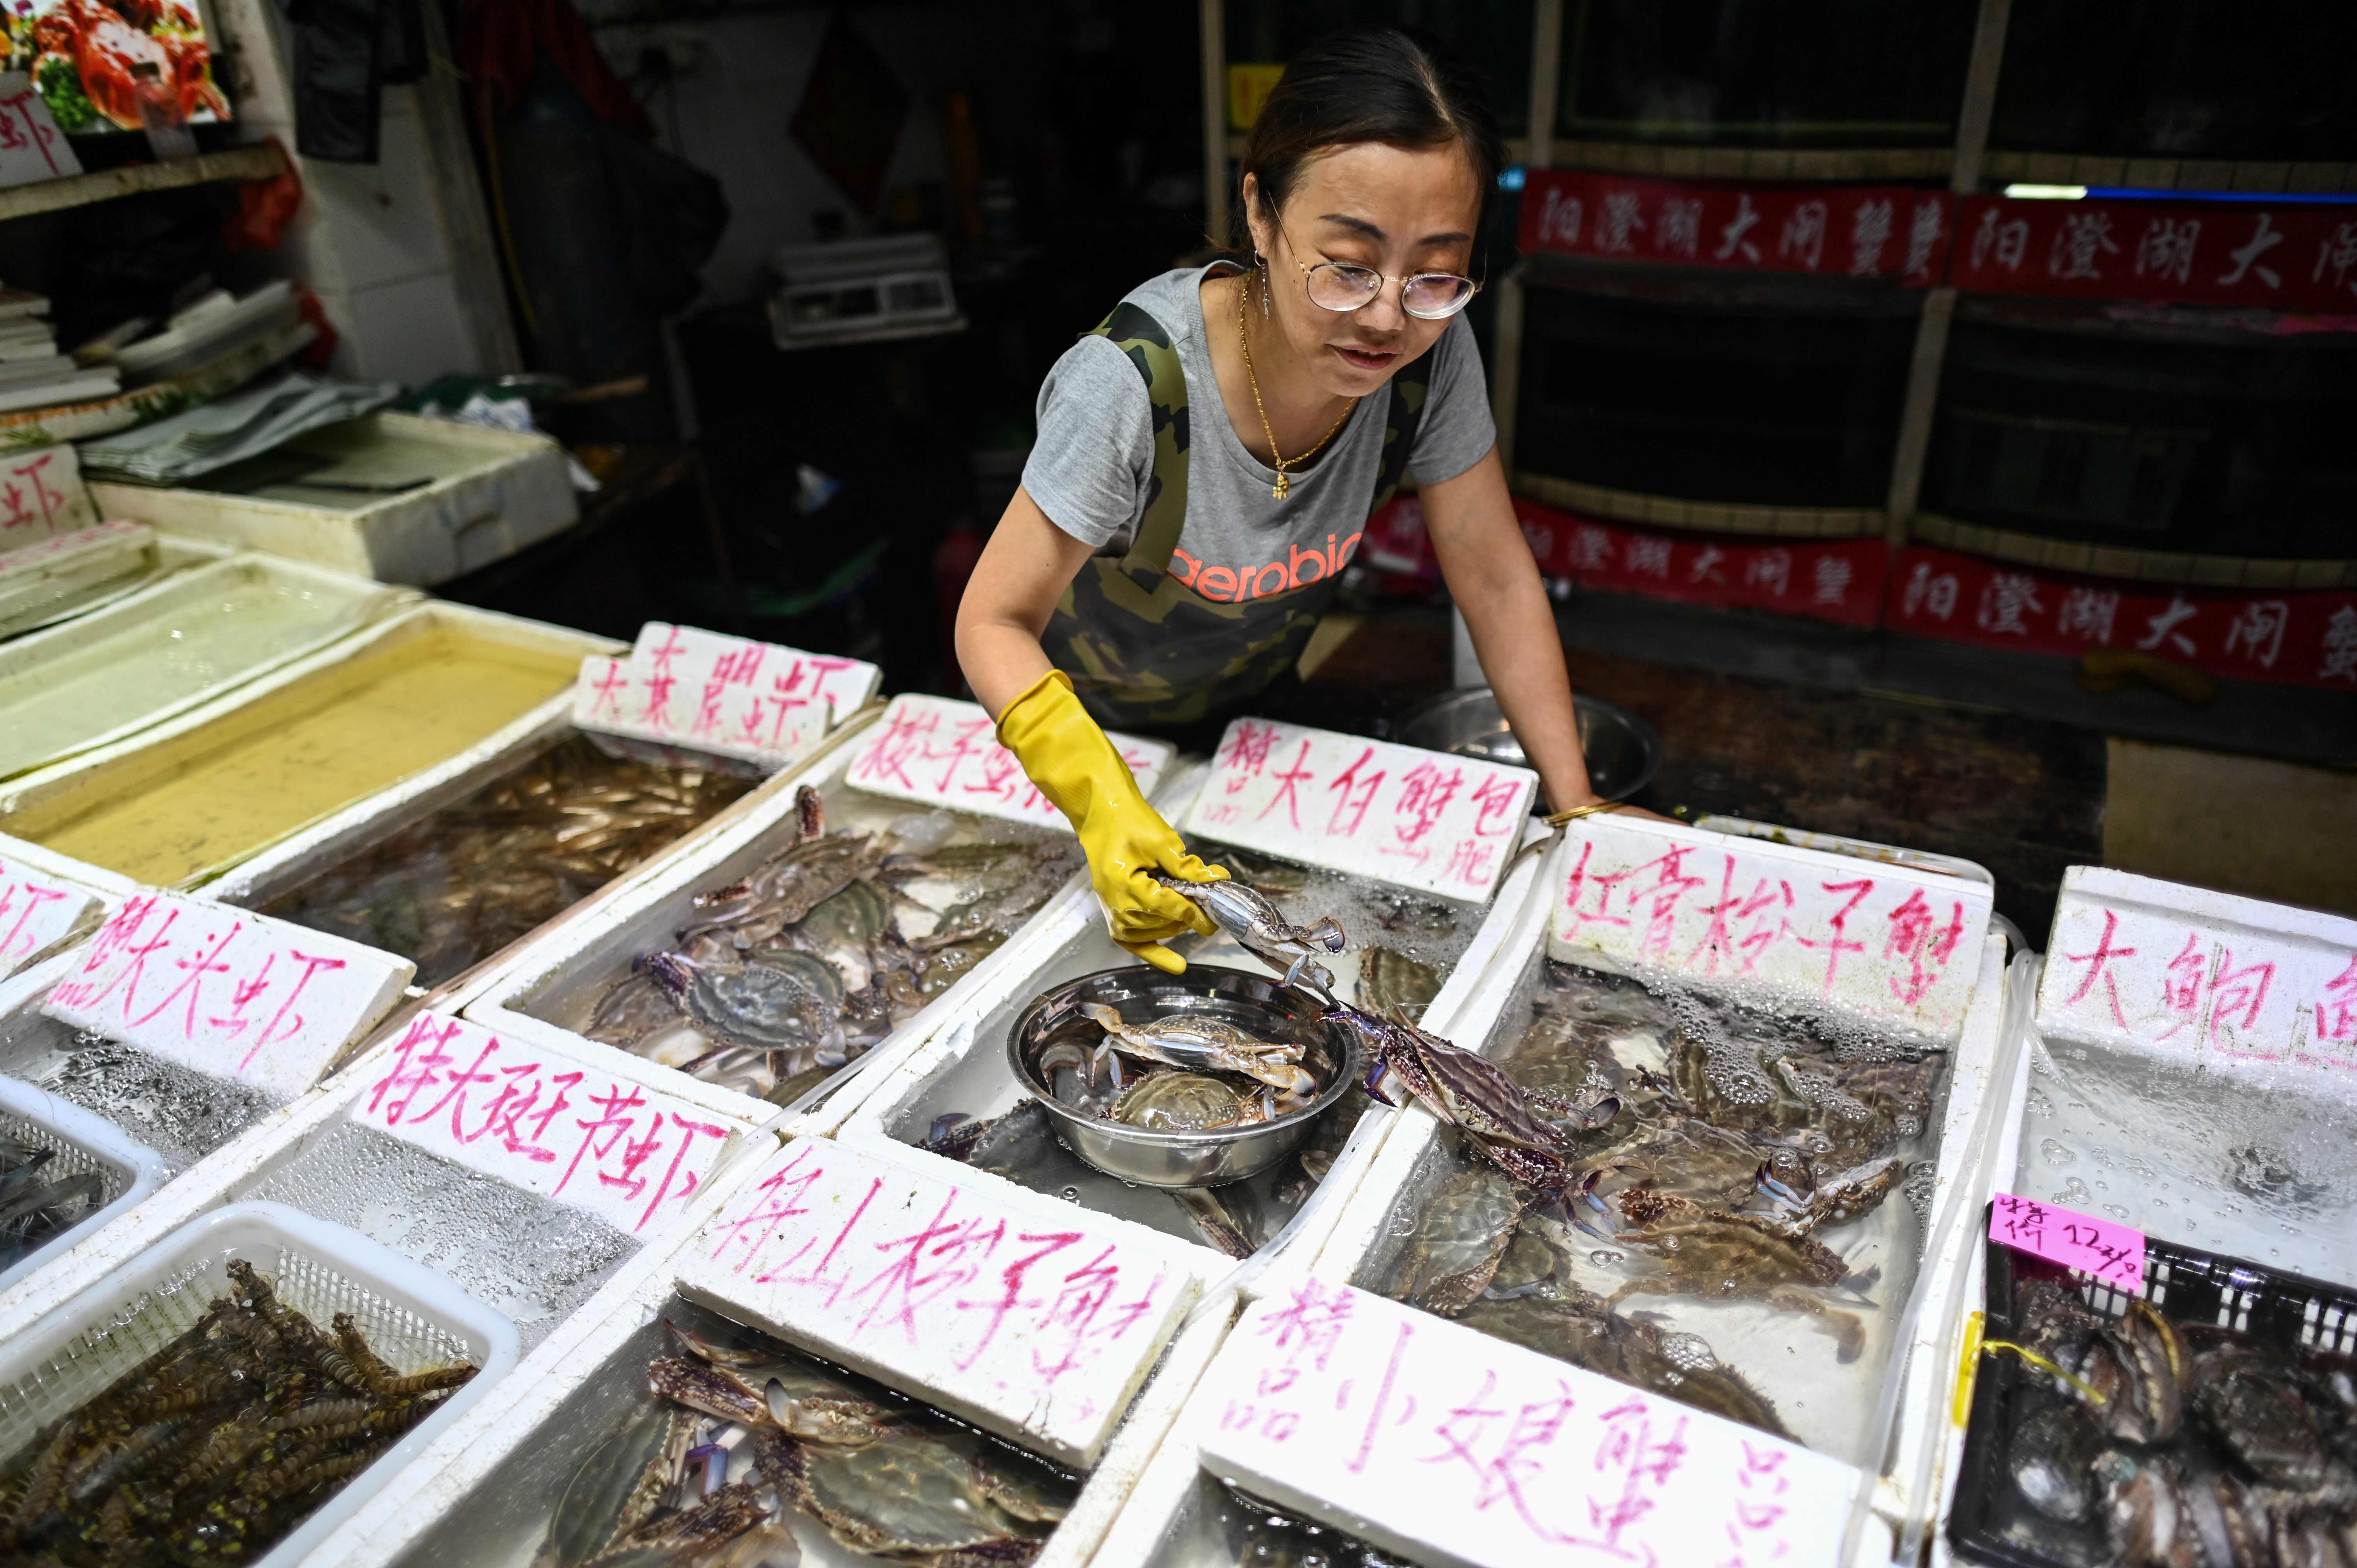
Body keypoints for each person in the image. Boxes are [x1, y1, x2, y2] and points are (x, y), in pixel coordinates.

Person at [956, 26, 1626, 975]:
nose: (1390, 315)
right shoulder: (1133, 383)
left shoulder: (1431, 360)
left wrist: (1576, 808)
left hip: (1253, 740)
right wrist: (1099, 796)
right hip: (1075, 754)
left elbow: (1493, 573)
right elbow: (990, 619)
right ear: (1261, 219)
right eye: (1348, 264)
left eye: (1436, 270)